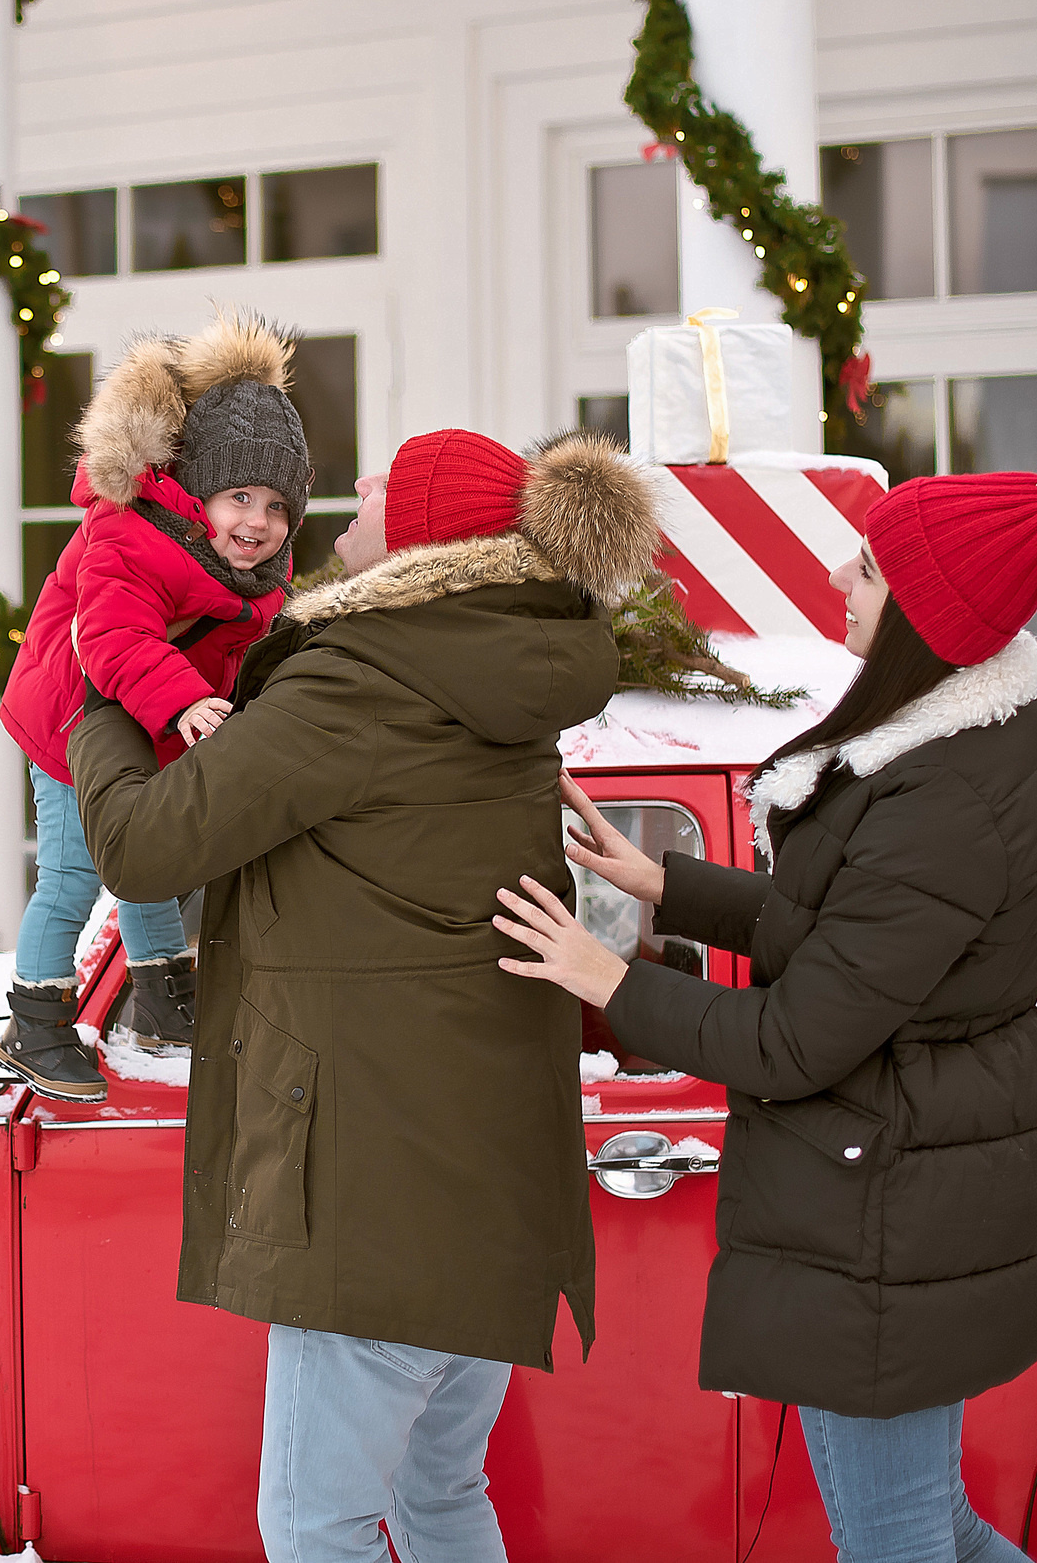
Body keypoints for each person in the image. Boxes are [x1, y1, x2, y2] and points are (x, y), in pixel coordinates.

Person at [492, 456, 1037, 1563]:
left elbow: (796, 1037)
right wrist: (673, 887)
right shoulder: (972, 745)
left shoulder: (944, 794)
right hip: (908, 1178)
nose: (844, 572)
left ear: (928, 611)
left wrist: (604, 977)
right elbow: (870, 939)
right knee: (930, 1520)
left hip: (885, 1207)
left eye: (874, 563)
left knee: (891, 1532)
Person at [68, 427, 659, 1563]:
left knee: (314, 1522)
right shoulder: (501, 661)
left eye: (379, 486)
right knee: (441, 1495)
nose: (346, 503)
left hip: (369, 1186)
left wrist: (104, 689)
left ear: (425, 535)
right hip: (484, 1174)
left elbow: (146, 844)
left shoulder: (359, 679)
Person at [0, 310, 312, 1103]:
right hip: (75, 723)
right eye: (240, 495)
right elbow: (109, 636)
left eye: (277, 507)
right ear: (200, 487)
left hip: (152, 726)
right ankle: (33, 1019)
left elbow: (248, 653)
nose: (258, 523)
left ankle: (164, 998)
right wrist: (188, 704)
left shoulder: (252, 572)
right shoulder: (130, 535)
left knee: (156, 867)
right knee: (72, 873)